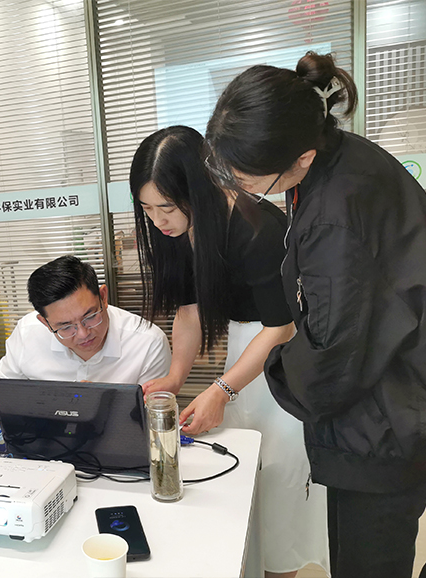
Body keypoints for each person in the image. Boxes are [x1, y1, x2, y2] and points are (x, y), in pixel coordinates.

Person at [205, 51, 426, 578]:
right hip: (389, 408)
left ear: (302, 158)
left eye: (250, 179)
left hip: (384, 427)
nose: (243, 189)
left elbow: (333, 355)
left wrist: (278, 368)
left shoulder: (335, 217)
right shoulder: (340, 158)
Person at [131, 125, 328, 578]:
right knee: (242, 475)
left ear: (199, 189)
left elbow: (281, 327)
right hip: (246, 349)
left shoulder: (257, 228)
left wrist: (221, 390)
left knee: (279, 477)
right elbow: (189, 310)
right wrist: (176, 376)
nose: (158, 220)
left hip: (287, 356)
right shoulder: (178, 231)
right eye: (146, 208)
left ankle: (281, 569)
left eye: (166, 207)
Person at [0, 255, 171, 418]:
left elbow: (156, 417)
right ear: (44, 323)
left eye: (90, 316)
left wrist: (106, 403)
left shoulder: (147, 342)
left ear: (103, 297)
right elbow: (3, 383)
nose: (83, 333)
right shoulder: (28, 332)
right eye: (65, 327)